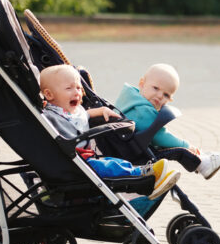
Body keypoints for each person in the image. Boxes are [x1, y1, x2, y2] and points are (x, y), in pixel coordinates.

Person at [40, 64, 180, 215]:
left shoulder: (73, 110)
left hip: (84, 158)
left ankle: (146, 176)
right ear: (49, 95)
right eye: (69, 89)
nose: (77, 93)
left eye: (79, 88)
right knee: (111, 166)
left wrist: (102, 110)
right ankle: (143, 176)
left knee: (113, 162)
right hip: (75, 163)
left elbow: (86, 114)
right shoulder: (50, 115)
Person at [115, 63, 220, 180]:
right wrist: (187, 146)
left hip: (126, 144)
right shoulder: (142, 111)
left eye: (166, 94)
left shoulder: (129, 98)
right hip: (129, 150)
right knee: (178, 150)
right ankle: (203, 163)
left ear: (170, 99)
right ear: (142, 83)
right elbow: (160, 136)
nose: (159, 96)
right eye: (155, 88)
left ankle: (203, 160)